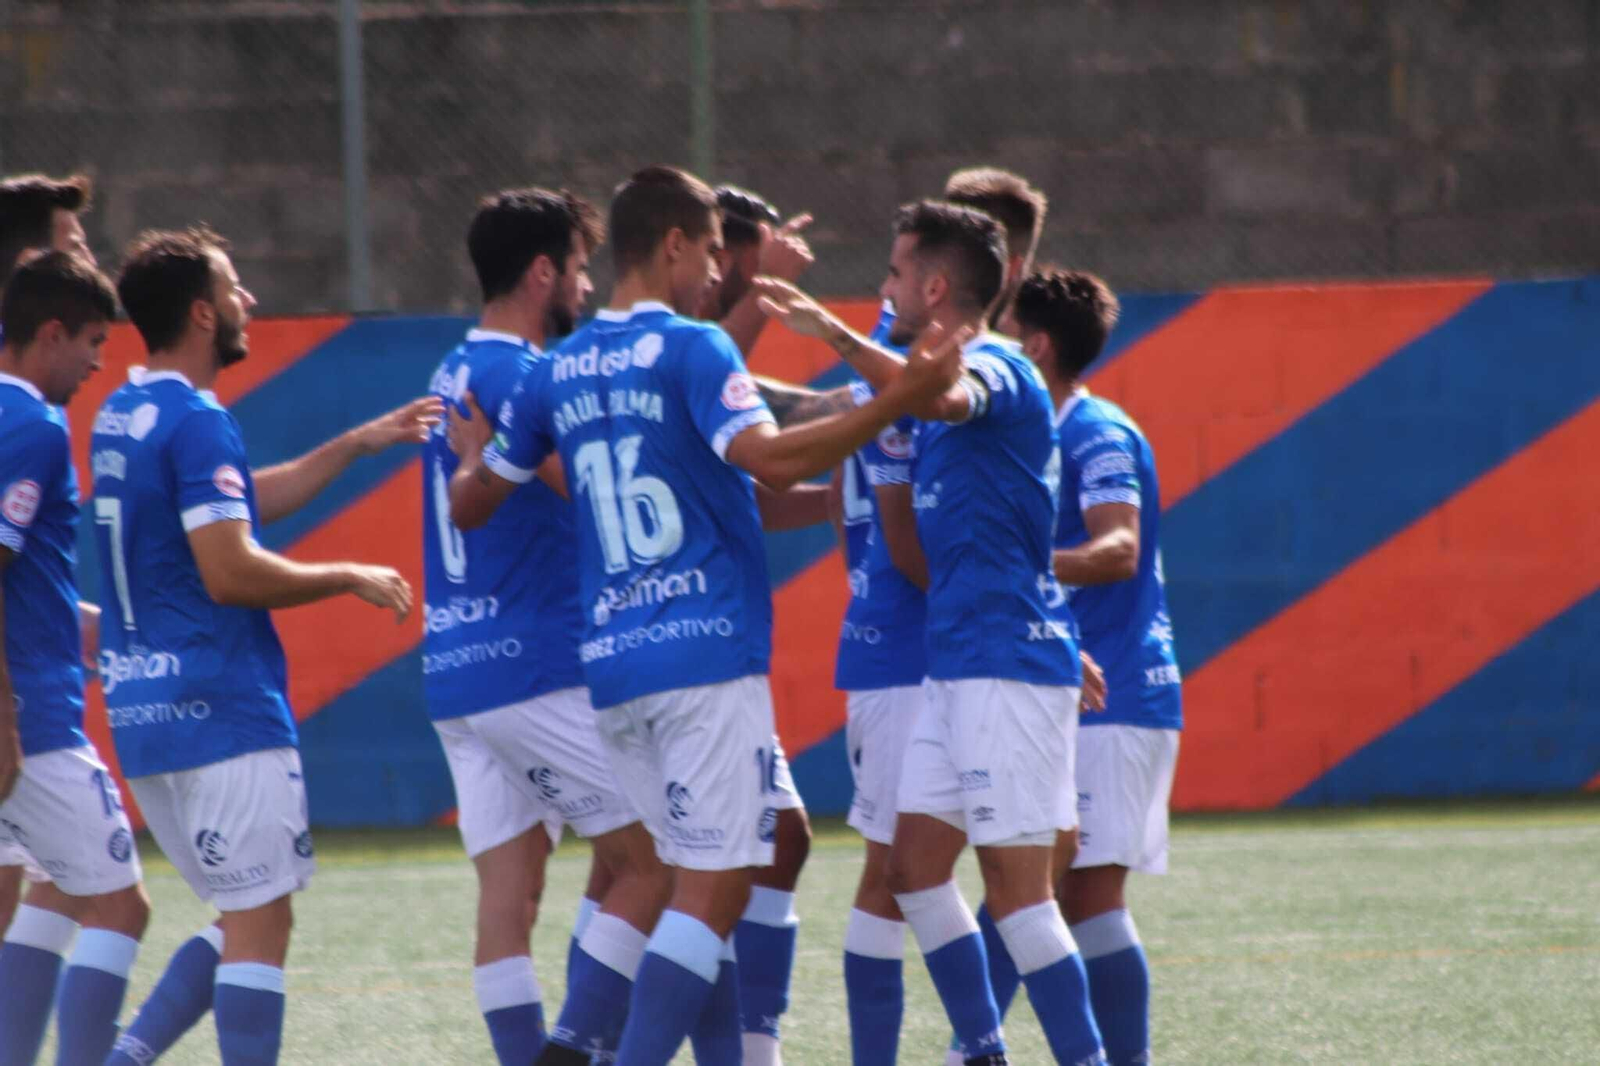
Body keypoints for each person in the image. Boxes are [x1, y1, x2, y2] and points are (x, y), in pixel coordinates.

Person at [450, 164, 962, 1065]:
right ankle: (599, 1050)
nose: (716, 271)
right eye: (713, 251)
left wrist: (469, 460)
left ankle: (599, 1043)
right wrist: (895, 400)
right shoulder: (694, 349)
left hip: (612, 670)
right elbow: (764, 457)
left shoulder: (553, 371)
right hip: (702, 659)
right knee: (719, 884)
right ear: (677, 244)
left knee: (686, 875)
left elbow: (474, 501)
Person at [755, 201, 1106, 1066]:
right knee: (913, 872)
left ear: (937, 286)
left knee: (1022, 902)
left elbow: (941, 397)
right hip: (961, 665)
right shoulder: (943, 373)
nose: (887, 286)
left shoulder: (998, 367)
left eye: (898, 271)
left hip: (1006, 665)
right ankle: (982, 1051)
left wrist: (834, 334)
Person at [94, 225, 433, 1066]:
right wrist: (343, 573)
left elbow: (231, 505)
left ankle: (127, 1056)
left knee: (247, 913)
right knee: (261, 924)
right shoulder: (198, 418)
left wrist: (357, 443)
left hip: (144, 714)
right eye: (235, 288)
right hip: (220, 712)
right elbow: (230, 569)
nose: (250, 302)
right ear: (204, 314)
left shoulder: (124, 411)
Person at [424, 187, 669, 1065]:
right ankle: (572, 1050)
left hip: (457, 667)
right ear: (541, 273)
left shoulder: (452, 368)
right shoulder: (526, 375)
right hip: (536, 665)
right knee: (662, 863)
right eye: (576, 267)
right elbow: (593, 494)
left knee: (509, 902)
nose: (587, 284)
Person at [1016, 268, 1183, 1066]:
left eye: (1013, 338)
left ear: (1038, 345)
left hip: (1119, 692)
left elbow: (1118, 550)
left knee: (1084, 895)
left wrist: (1017, 568)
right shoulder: (1034, 430)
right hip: (1071, 689)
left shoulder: (1096, 432)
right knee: (1041, 886)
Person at [0, 251, 148, 1066]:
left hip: (27, 703)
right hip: (37, 725)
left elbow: (29, 588)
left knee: (49, 895)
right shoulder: (32, 426)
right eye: (93, 340)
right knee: (121, 912)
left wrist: (103, 629)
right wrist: (9, 724)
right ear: (50, 332)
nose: (99, 361)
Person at [702, 183, 818, 1066]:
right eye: (734, 261)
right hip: (672, 647)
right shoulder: (673, 342)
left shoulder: (707, 353)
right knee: (656, 873)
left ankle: (751, 1045)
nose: (722, 273)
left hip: (700, 644)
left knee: (774, 840)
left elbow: (752, 483)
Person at [0, 171, 99, 930]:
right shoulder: (27, 415)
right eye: (76, 244)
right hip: (26, 705)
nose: (90, 256)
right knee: (109, 903)